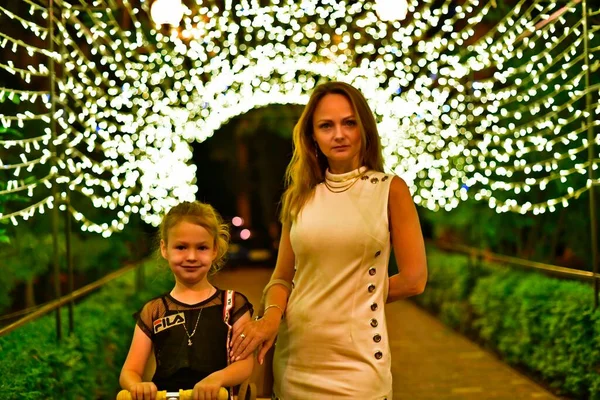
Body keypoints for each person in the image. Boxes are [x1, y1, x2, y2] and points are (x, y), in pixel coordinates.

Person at [229, 81, 428, 399]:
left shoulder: (390, 190)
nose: (339, 134)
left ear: (364, 128)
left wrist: (350, 300)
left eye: (349, 123)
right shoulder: (300, 198)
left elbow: (415, 280)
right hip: (296, 359)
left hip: (359, 365)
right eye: (326, 126)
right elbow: (281, 278)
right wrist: (270, 317)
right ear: (312, 137)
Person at [120, 201, 254, 400]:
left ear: (215, 250)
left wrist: (217, 380)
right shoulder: (154, 311)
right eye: (181, 247)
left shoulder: (233, 304)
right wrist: (138, 386)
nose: (191, 256)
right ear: (165, 249)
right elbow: (129, 371)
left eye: (202, 248)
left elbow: (244, 364)